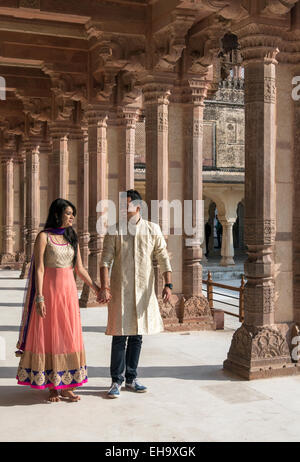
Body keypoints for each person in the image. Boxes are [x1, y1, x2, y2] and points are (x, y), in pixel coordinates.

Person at [16, 198, 100, 402]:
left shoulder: (72, 237)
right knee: (50, 336)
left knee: (68, 335)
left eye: (73, 214)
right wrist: (39, 297)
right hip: (49, 293)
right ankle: (52, 386)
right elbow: (39, 268)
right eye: (68, 213)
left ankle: (67, 385)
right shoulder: (44, 237)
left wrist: (96, 288)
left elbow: (79, 268)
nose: (72, 217)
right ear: (57, 214)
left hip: (68, 294)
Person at [98, 189, 172, 398]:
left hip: (143, 291)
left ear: (138, 206)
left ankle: (131, 377)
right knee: (120, 335)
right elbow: (105, 261)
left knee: (137, 335)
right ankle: (116, 380)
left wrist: (169, 285)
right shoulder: (115, 231)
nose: (123, 208)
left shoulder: (152, 229)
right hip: (120, 290)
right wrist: (105, 287)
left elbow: (163, 257)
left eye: (127, 204)